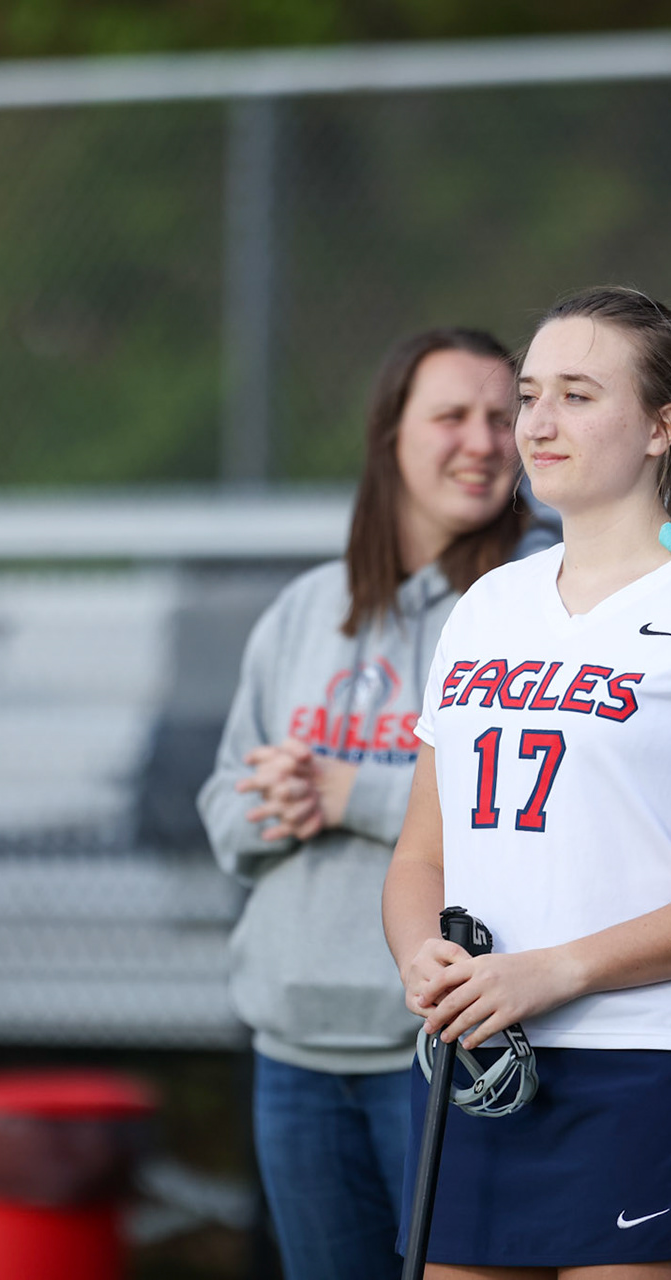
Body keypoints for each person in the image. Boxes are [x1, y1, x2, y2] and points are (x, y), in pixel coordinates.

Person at [382, 286, 671, 1276]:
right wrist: (424, 957)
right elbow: (423, 848)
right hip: (485, 1060)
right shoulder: (486, 607)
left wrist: (560, 968)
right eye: (530, 394)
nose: (536, 423)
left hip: (654, 1054)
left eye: (578, 395)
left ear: (662, 426)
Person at [199, 327, 542, 1278]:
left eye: (502, 419)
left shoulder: (536, 603)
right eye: (452, 416)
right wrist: (278, 798)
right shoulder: (307, 609)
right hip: (294, 1047)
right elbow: (223, 817)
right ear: (392, 435)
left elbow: (535, 815)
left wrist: (350, 792)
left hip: (438, 1049)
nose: (481, 441)